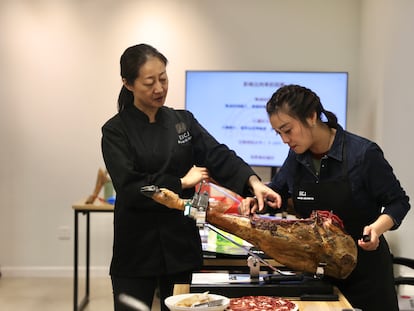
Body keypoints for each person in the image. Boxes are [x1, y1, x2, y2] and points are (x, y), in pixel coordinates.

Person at [101, 43, 281, 311]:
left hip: (180, 245)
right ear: (128, 84)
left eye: (163, 78)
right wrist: (181, 183)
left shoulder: (181, 121)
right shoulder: (116, 131)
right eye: (149, 82)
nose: (159, 88)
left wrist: (253, 182)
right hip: (136, 249)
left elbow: (218, 155)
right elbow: (130, 186)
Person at [241, 84, 410, 311]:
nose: (284, 140)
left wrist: (377, 228)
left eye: (288, 130)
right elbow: (277, 193)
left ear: (311, 117)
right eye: (278, 133)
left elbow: (398, 201)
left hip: (366, 276)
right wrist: (257, 201)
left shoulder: (363, 154)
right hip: (318, 275)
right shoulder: (297, 157)